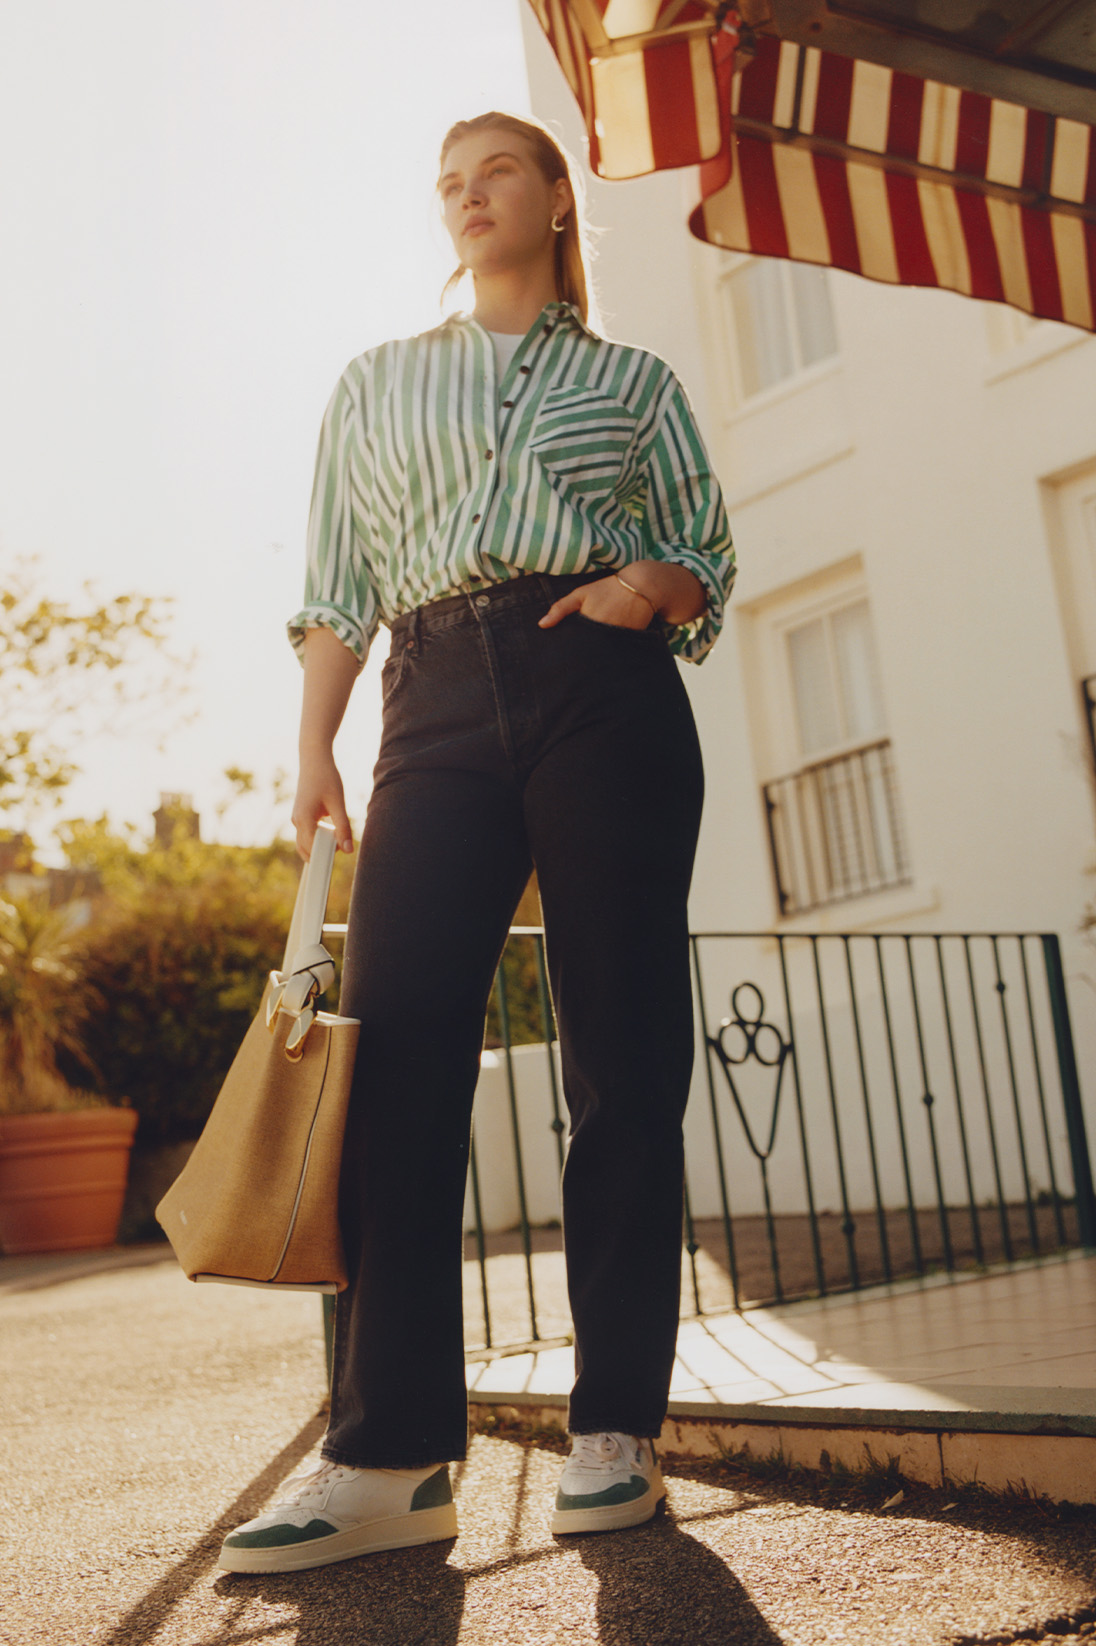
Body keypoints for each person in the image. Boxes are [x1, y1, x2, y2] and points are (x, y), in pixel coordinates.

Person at [218, 110, 735, 1575]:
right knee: (397, 1046)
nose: (466, 195)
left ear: (558, 196)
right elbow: (339, 579)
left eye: (494, 169)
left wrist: (650, 586)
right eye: (446, 183)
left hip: (601, 690)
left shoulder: (630, 382)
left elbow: (706, 546)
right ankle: (390, 1456)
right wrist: (316, 742)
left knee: (622, 1052)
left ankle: (616, 1427)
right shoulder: (379, 381)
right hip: (430, 699)